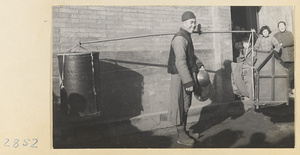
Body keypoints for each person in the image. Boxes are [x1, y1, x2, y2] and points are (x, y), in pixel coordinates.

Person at [167, 11, 204, 146]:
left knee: (186, 104)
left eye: (195, 22)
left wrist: (200, 65)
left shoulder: (187, 37)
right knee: (179, 105)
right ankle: (181, 135)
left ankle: (185, 131)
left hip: (186, 75)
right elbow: (180, 62)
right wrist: (188, 81)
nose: (194, 25)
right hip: (180, 77)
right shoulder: (179, 39)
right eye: (191, 22)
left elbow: (191, 56)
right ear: (183, 23)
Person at [273, 21, 294, 96]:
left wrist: (282, 44)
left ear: (285, 26)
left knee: (291, 74)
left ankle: (289, 88)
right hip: (281, 58)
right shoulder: (275, 35)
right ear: (278, 27)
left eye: (283, 25)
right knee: (282, 73)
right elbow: (273, 43)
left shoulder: (289, 34)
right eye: (280, 26)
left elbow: (292, 41)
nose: (281, 27)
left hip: (290, 57)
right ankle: (283, 89)